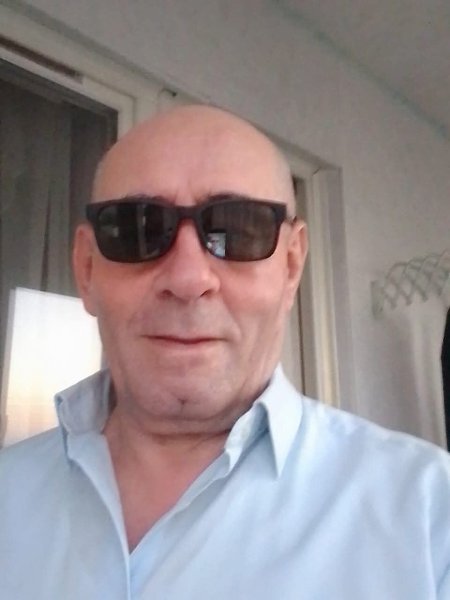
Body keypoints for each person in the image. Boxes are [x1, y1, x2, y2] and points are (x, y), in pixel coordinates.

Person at [0, 105, 449, 600]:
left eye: (236, 229)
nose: (188, 280)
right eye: (137, 228)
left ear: (291, 266)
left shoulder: (431, 518)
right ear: (87, 269)